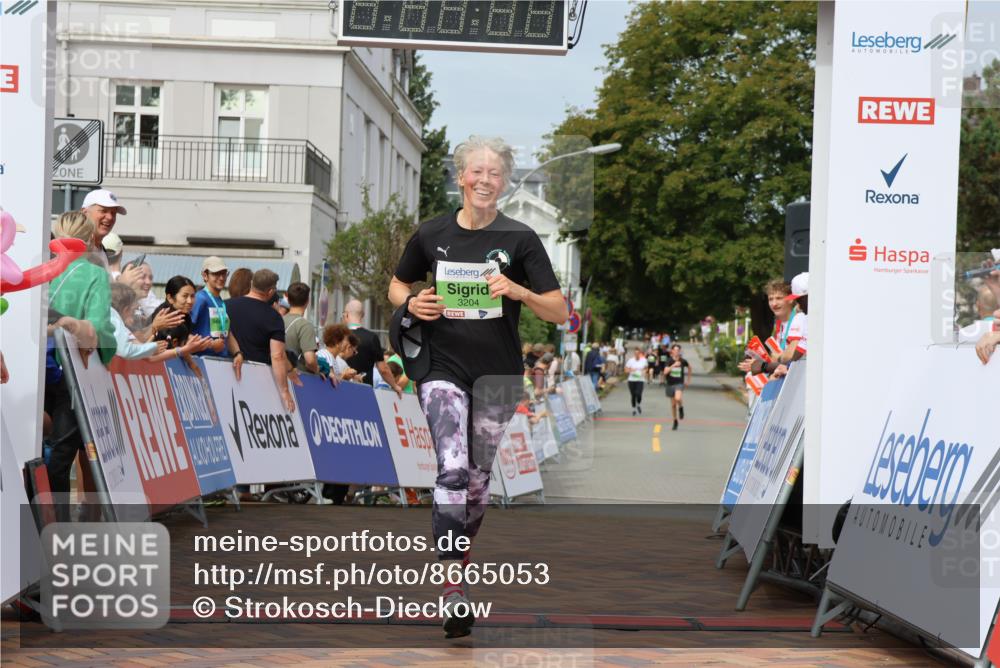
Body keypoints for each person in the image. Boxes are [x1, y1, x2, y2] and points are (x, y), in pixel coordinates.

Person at [387, 135, 566, 638]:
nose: (485, 181)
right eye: (477, 171)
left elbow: (560, 312)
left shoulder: (521, 239)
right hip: (442, 365)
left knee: (479, 484)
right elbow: (397, 285)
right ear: (460, 177)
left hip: (498, 375)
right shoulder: (432, 233)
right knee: (452, 469)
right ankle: (452, 589)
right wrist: (414, 303)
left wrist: (518, 290)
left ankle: (460, 571)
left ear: (504, 183)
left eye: (495, 174)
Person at [45, 212, 117, 509]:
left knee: (30, 451)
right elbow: (98, 328)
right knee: (60, 456)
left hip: (30, 368)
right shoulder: (94, 274)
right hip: (69, 372)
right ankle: (54, 529)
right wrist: (102, 344)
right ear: (88, 239)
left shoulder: (39, 269)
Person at [225, 269, 296, 413]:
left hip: (226, 370)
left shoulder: (225, 305)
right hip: (257, 380)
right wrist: (284, 391)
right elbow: (277, 356)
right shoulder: (273, 317)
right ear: (270, 292)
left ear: (252, 284)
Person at [342, 299, 400, 394]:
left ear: (346, 315)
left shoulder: (339, 336)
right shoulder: (371, 338)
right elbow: (383, 369)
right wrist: (395, 386)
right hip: (364, 391)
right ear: (363, 315)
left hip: (340, 387)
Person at [188, 256, 231, 357]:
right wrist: (210, 345)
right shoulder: (200, 298)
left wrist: (238, 353)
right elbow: (185, 332)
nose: (221, 278)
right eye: (216, 274)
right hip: (202, 361)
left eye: (224, 273)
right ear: (205, 275)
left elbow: (228, 333)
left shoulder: (221, 302)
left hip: (221, 361)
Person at [282, 282, 320, 374]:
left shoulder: (278, 320)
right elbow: (310, 361)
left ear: (288, 299)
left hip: (279, 374)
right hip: (298, 378)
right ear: (307, 301)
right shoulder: (305, 325)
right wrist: (318, 370)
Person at [663, 343, 691, 430]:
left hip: (679, 383)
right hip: (670, 384)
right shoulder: (669, 361)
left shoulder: (683, 361)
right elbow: (665, 372)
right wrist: (673, 365)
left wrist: (688, 380)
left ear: (680, 351)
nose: (676, 352)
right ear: (672, 351)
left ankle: (681, 408)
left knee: (678, 398)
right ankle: (675, 421)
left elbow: (689, 367)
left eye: (678, 350)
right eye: (675, 350)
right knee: (673, 405)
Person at [624, 347, 647, 416]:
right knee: (633, 395)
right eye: (635, 353)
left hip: (640, 380)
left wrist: (644, 372)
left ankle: (638, 404)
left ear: (640, 354)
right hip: (631, 380)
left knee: (639, 394)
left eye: (638, 353)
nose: (637, 355)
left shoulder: (644, 360)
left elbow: (646, 368)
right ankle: (634, 409)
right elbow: (626, 370)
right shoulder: (630, 361)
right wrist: (631, 370)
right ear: (634, 354)